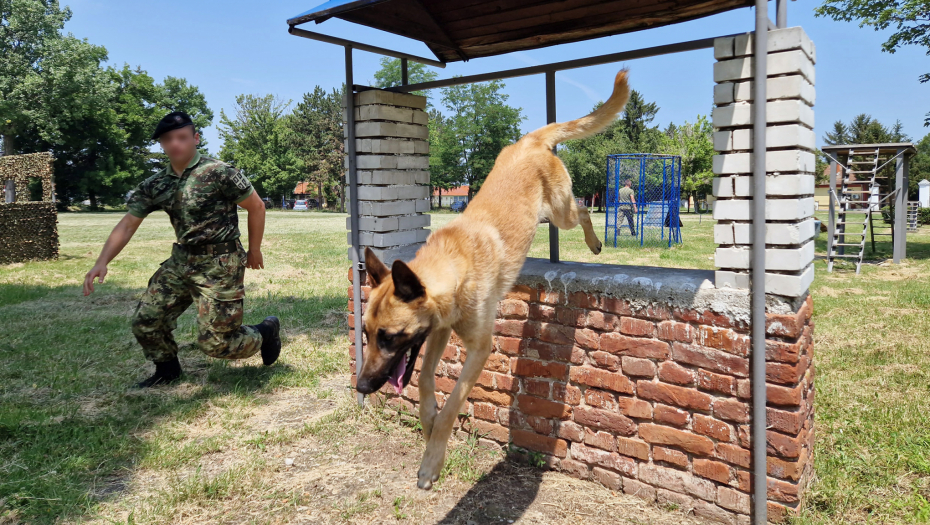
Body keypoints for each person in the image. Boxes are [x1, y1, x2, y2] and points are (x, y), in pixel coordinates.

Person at [83, 111, 281, 388]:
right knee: (147, 320)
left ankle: (265, 332)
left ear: (195, 138)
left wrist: (254, 249)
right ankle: (167, 371)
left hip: (220, 262)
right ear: (162, 144)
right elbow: (128, 223)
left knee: (215, 344)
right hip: (182, 261)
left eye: (182, 137)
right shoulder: (155, 184)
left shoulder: (219, 172)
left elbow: (256, 206)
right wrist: (101, 261)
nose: (175, 144)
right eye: (168, 139)